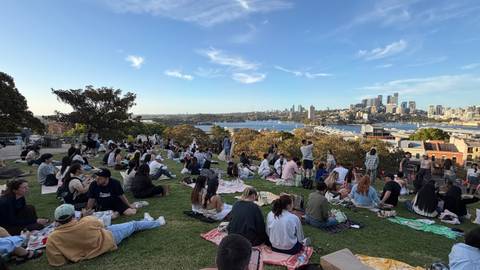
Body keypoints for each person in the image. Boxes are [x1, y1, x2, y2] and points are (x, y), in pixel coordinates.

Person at [46, 204, 165, 266]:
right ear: (73, 215)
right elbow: (102, 226)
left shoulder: (53, 238)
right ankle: (157, 223)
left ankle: (147, 221)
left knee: (132, 225)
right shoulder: (86, 221)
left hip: (89, 249)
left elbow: (58, 261)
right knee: (133, 225)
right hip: (107, 239)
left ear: (57, 221)